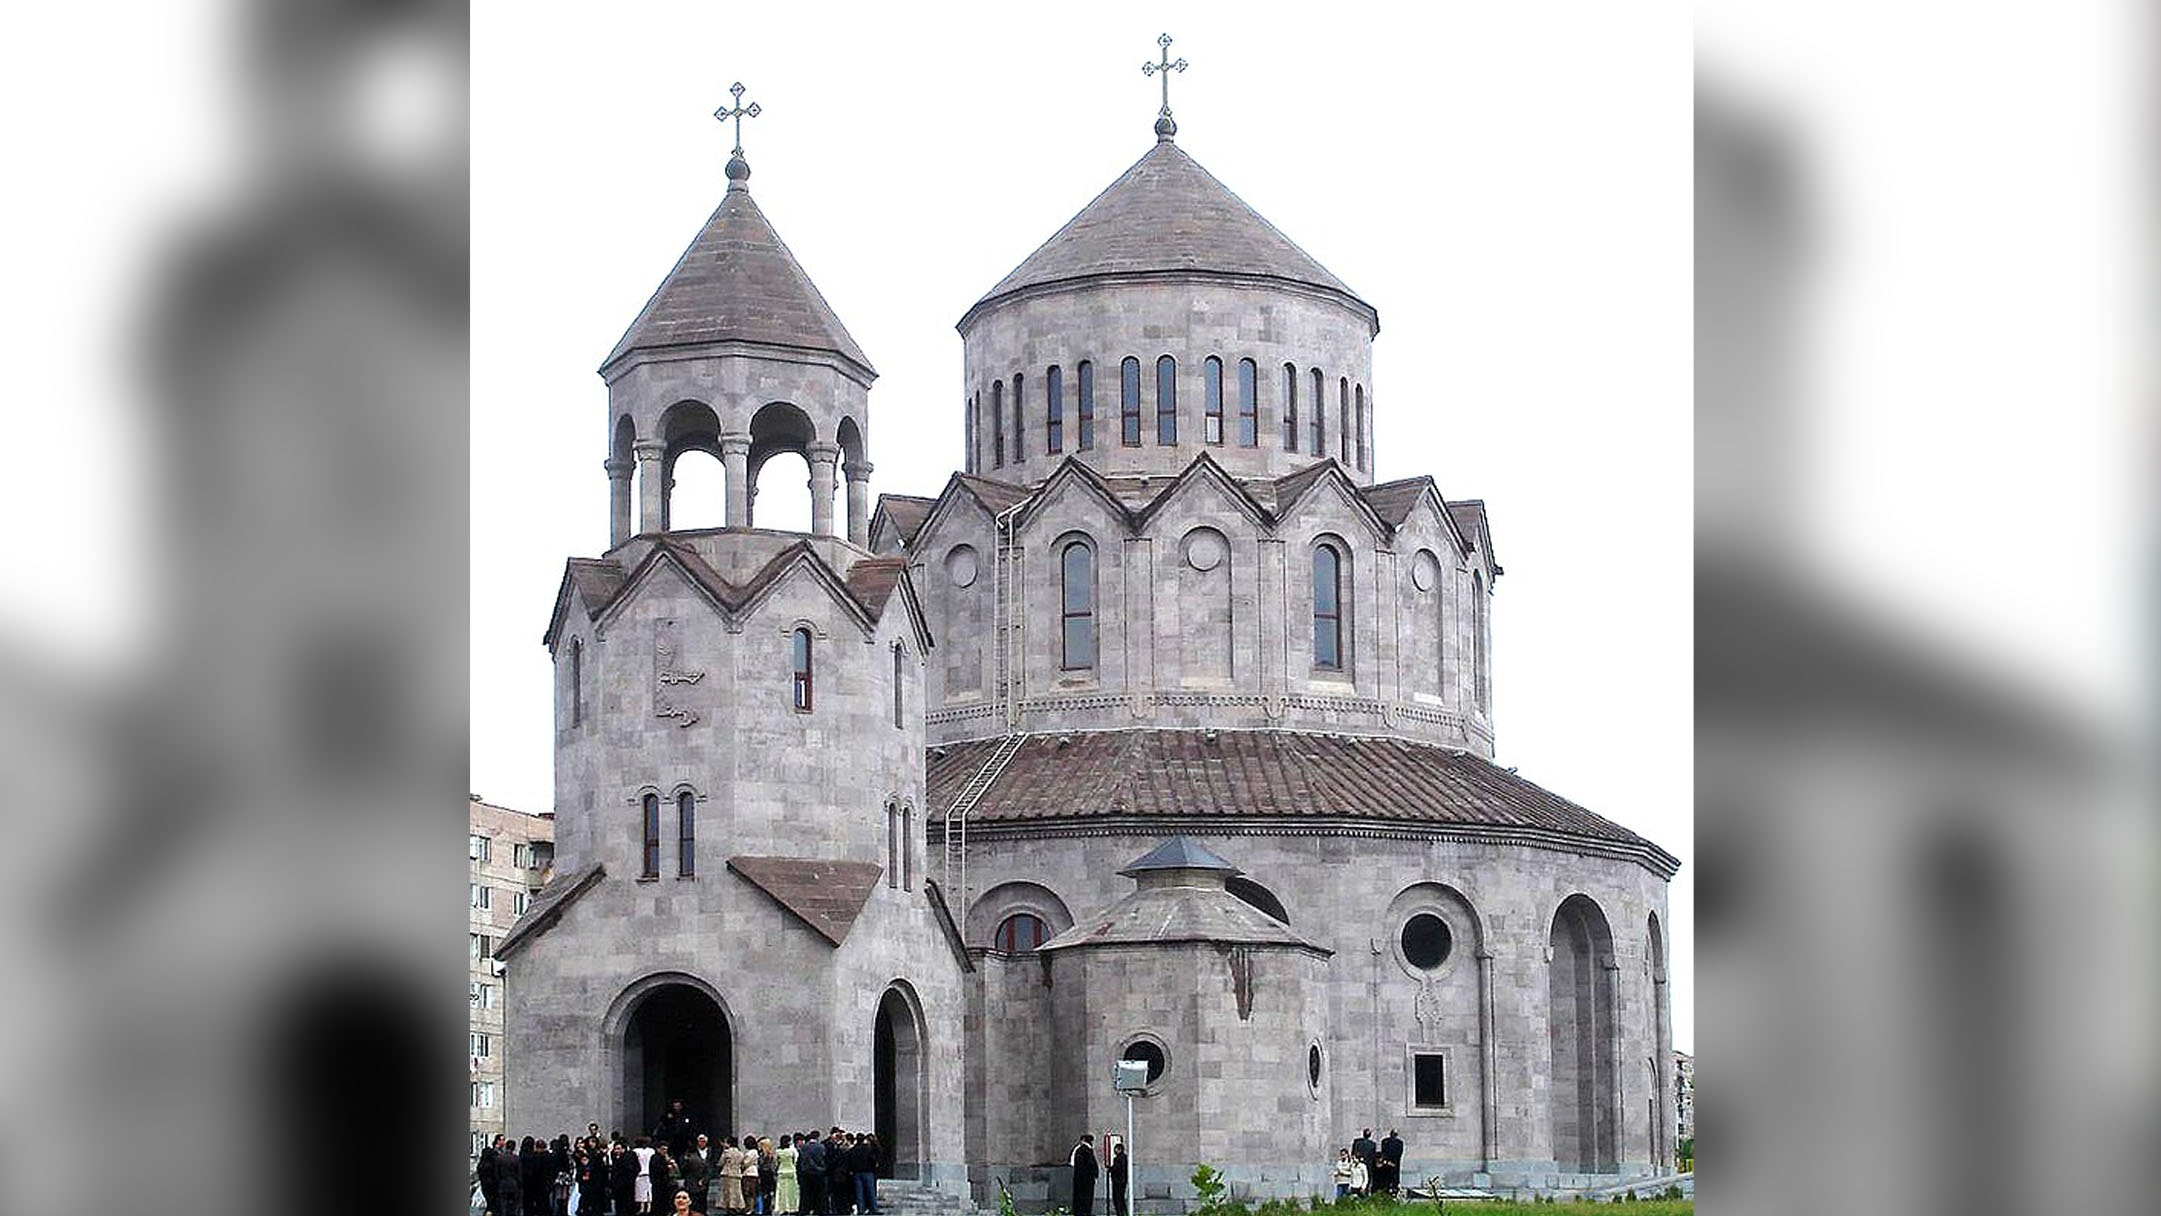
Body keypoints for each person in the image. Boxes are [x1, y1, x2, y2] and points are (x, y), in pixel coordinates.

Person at [848, 1132, 880, 1216]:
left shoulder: (853, 1150)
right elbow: (873, 1160)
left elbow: (850, 1161)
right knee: (870, 1191)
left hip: (857, 1173)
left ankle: (861, 1209)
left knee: (859, 1192)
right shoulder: (868, 1149)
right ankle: (873, 1208)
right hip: (868, 1172)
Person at [797, 1131, 827, 1216]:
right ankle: (818, 1210)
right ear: (818, 1137)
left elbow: (802, 1159)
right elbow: (823, 1158)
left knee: (806, 1194)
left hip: (806, 1173)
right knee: (819, 1193)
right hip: (819, 1172)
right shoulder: (821, 1147)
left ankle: (805, 1210)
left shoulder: (804, 1147)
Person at [1069, 1133, 1099, 1216]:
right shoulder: (1084, 1150)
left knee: (1082, 1198)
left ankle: (1082, 1212)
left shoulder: (1081, 1150)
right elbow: (1089, 1165)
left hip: (1082, 1179)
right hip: (1085, 1180)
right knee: (1085, 1198)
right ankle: (1084, 1212)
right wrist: (1094, 1174)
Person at [682, 1135, 712, 1214]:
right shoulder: (691, 1153)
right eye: (700, 1141)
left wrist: (705, 1179)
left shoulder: (709, 1151)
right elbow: (685, 1167)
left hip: (704, 1178)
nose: (702, 1143)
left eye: (703, 1141)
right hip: (692, 1179)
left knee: (703, 1199)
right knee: (693, 1200)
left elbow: (710, 1167)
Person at [718, 1136, 746, 1216]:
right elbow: (743, 1163)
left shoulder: (726, 1152)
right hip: (736, 1174)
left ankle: (729, 1207)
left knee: (727, 1192)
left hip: (727, 1173)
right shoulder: (740, 1153)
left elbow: (721, 1162)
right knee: (736, 1192)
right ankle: (735, 1206)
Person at [826, 1132, 852, 1216]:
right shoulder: (845, 1148)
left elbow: (835, 1161)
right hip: (843, 1174)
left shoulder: (840, 1149)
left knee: (839, 1194)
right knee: (841, 1194)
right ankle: (843, 1209)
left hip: (839, 1174)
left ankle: (841, 1210)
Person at [775, 1132, 800, 1215]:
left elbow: (777, 1162)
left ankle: (782, 1208)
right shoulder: (792, 1151)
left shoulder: (778, 1151)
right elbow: (795, 1160)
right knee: (792, 1191)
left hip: (781, 1171)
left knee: (782, 1192)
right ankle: (792, 1207)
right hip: (791, 1171)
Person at [633, 1136, 658, 1215]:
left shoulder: (635, 1151)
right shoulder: (652, 1151)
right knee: (648, 1191)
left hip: (640, 1173)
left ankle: (642, 1207)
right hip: (648, 1173)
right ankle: (648, 1207)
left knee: (641, 1192)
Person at [480, 1135, 504, 1216]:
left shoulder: (481, 1165)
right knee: (494, 1205)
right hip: (493, 1185)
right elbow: (496, 1174)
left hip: (485, 1186)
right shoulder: (493, 1164)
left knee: (490, 1204)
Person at [737, 1136, 761, 1216]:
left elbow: (745, 1163)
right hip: (752, 1173)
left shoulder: (751, 1153)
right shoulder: (754, 1152)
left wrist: (741, 1165)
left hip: (749, 1174)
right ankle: (749, 1208)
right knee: (749, 1193)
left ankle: (750, 1208)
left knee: (749, 1192)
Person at [1378, 1130, 1404, 1197]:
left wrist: (1387, 1161)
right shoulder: (1399, 1143)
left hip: (1389, 1163)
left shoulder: (1385, 1141)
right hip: (1395, 1163)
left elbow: (1383, 1152)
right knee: (1393, 1178)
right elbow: (1400, 1153)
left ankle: (1390, 1190)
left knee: (1388, 1178)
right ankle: (1394, 1190)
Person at [1109, 1142, 1129, 1216]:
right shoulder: (1124, 1157)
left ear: (1119, 1149)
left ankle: (1120, 1213)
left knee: (1117, 1199)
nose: (1115, 1151)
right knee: (1121, 1198)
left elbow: (1117, 1168)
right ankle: (1124, 1213)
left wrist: (1110, 1169)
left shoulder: (1119, 1158)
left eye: (1116, 1149)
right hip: (1122, 1181)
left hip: (1118, 1181)